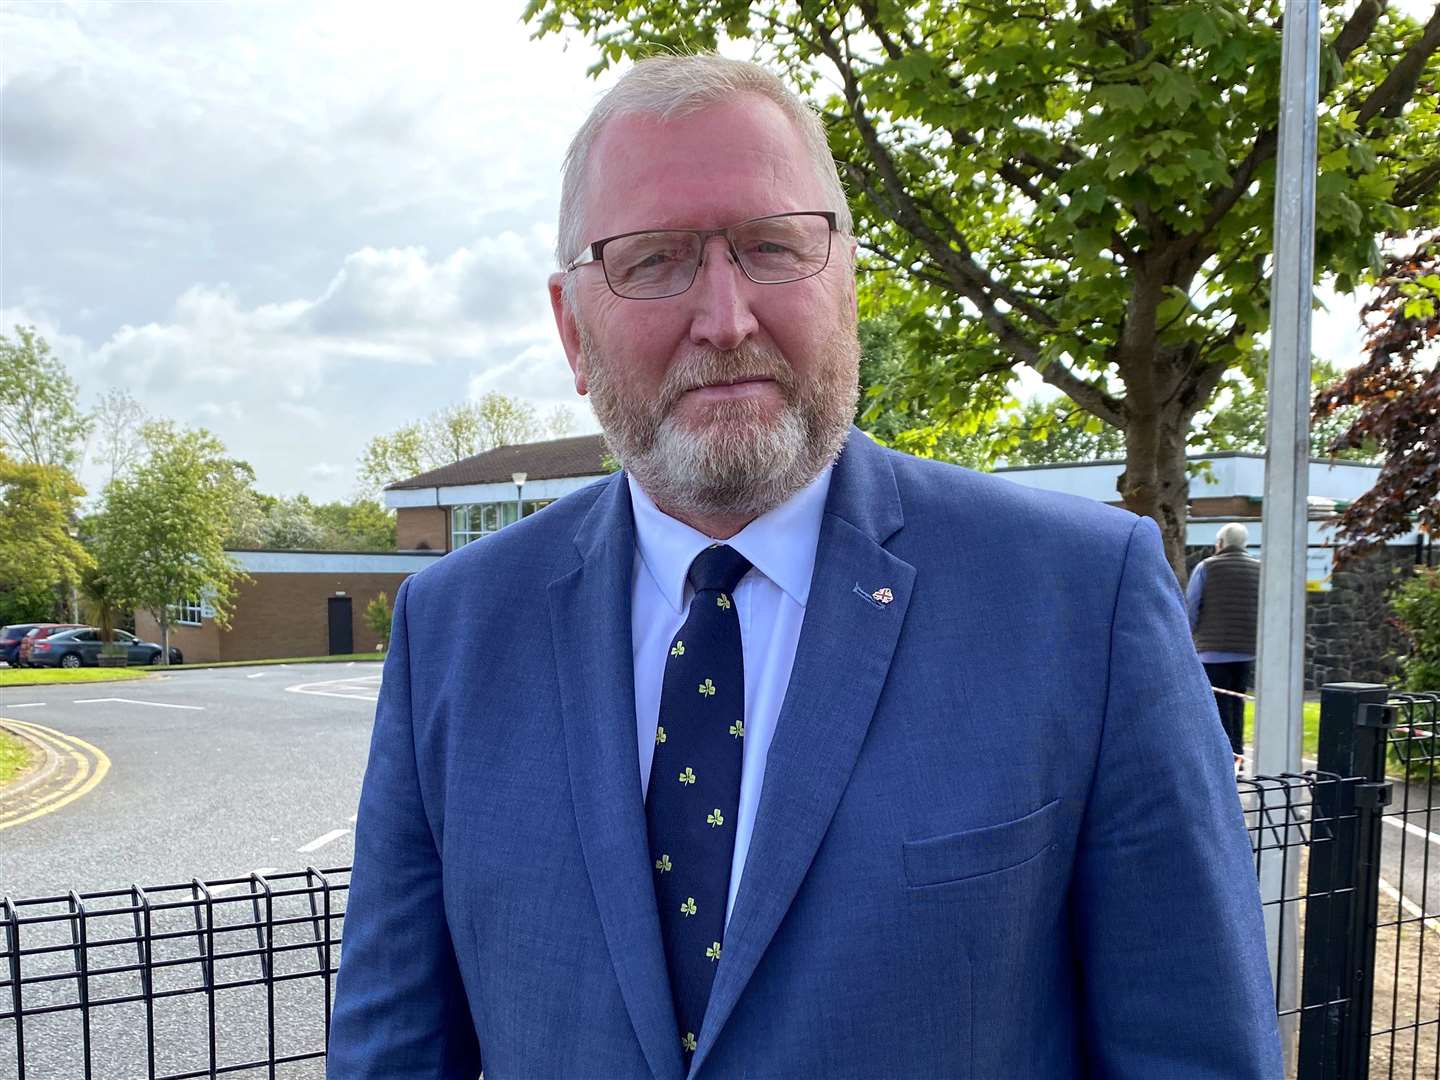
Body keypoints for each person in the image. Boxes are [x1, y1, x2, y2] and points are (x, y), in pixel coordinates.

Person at [328, 54, 1282, 1079]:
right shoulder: (457, 627)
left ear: (847, 280)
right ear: (571, 327)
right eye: (654, 260)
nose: (727, 318)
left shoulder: (1077, 599)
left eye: (773, 248)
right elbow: (394, 1053)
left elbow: (1196, 1052)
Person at [1187, 522, 1262, 766]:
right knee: (1237, 703)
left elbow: (1192, 606)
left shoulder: (1206, 567)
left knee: (1216, 705)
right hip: (1246, 650)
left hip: (1211, 650)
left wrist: (1188, 638)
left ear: (1220, 544)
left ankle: (1221, 759)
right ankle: (1237, 756)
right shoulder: (1259, 569)